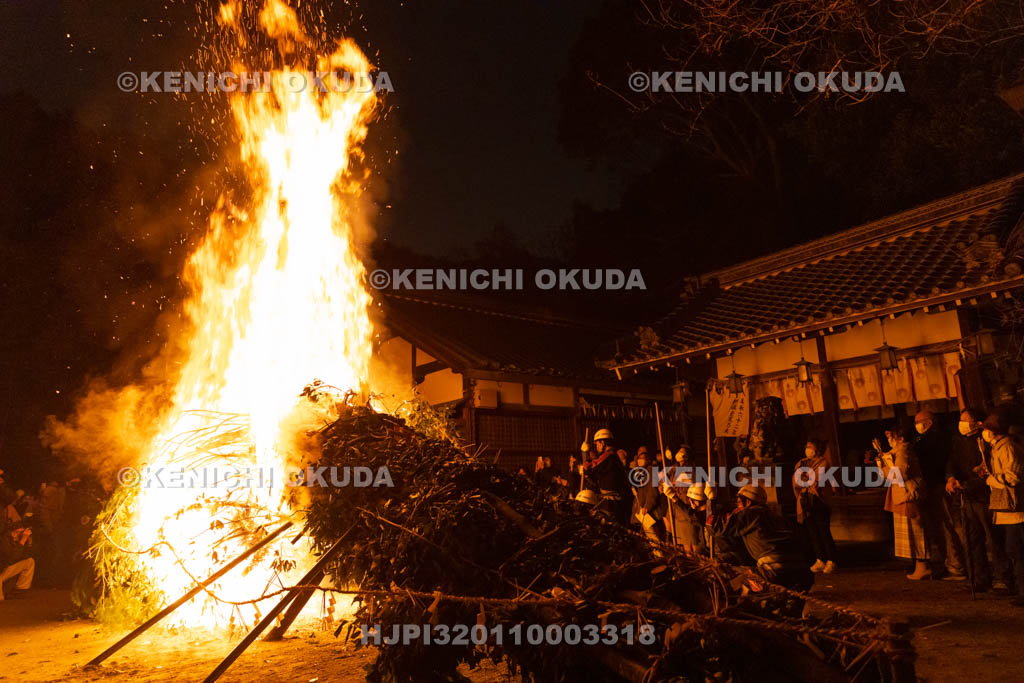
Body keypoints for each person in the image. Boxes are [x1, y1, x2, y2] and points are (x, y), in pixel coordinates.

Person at [946, 409, 1008, 592]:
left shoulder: (986, 442)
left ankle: (1003, 578)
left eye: (966, 420)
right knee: (973, 541)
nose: (962, 424)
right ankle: (979, 578)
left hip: (985, 497)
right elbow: (952, 462)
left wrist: (968, 484)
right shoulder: (959, 442)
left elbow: (988, 470)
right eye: (961, 420)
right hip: (967, 498)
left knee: (995, 540)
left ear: (978, 422)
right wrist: (951, 478)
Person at [715, 485, 812, 591]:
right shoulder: (778, 516)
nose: (737, 507)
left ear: (748, 502)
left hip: (773, 571)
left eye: (738, 502)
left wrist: (710, 502)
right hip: (802, 572)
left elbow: (718, 527)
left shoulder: (750, 514)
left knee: (728, 578)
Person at [978, 411, 1024, 606]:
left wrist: (991, 479)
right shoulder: (998, 448)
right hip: (1007, 509)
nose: (984, 434)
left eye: (987, 430)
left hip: (1016, 510)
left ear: (995, 432)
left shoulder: (1008, 448)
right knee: (1013, 550)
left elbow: (1013, 477)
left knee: (1017, 551)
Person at [875, 426, 930, 580]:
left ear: (900, 438)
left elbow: (900, 474)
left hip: (908, 494)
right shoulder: (896, 452)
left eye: (891, 437)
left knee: (916, 531)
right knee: (911, 532)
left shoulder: (903, 451)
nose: (889, 440)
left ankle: (923, 567)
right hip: (903, 494)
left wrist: (884, 467)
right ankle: (919, 566)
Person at [914, 410, 963, 578]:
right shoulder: (938, 438)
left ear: (929, 422)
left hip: (938, 486)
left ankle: (955, 565)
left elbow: (933, 463)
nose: (917, 425)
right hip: (936, 485)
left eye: (919, 421)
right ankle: (951, 563)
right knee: (943, 526)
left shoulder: (933, 440)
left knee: (946, 526)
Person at [793, 438, 837, 574]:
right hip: (805, 500)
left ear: (817, 449)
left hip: (819, 501)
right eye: (806, 446)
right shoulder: (801, 463)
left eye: (810, 447)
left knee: (823, 530)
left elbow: (816, 480)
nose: (807, 450)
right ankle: (820, 559)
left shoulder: (823, 463)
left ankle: (831, 560)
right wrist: (805, 478)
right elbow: (795, 480)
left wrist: (804, 477)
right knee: (813, 532)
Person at [581, 428, 631, 524]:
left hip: (611, 502)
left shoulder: (608, 456)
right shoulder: (612, 456)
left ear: (602, 442)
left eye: (597, 444)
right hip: (612, 500)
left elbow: (590, 467)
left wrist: (584, 454)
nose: (596, 447)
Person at [630, 448, 665, 543]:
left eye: (643, 458)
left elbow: (653, 490)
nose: (640, 460)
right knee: (649, 535)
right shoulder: (642, 472)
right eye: (639, 458)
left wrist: (648, 506)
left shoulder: (652, 471)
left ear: (648, 459)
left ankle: (659, 551)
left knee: (653, 535)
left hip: (649, 510)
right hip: (643, 508)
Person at [0, 525, 34, 601]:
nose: (23, 534)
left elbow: (25, 557)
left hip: (6, 569)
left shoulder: (17, 541)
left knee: (30, 561)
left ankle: (20, 590)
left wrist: (29, 543)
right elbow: (13, 557)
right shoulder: (3, 541)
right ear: (13, 533)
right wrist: (23, 540)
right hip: (2, 570)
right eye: (21, 532)